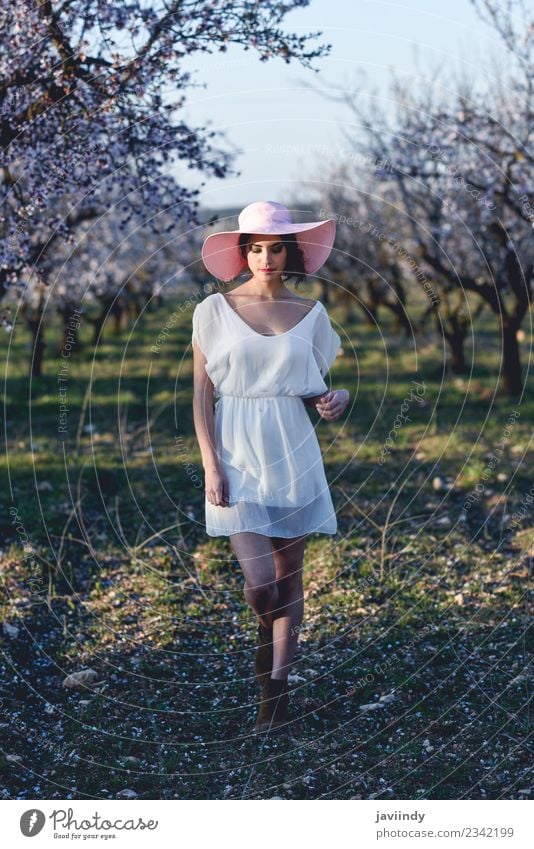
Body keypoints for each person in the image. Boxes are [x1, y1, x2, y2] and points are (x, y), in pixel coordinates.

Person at [191, 200, 350, 735]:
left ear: (291, 252)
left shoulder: (313, 314)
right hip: (235, 451)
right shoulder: (211, 311)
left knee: (290, 581)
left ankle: (275, 696)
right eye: (255, 248)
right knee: (260, 585)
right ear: (242, 253)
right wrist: (212, 465)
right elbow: (201, 394)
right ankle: (268, 645)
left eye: (276, 247)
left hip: (294, 449)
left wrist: (339, 398)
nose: (266, 257)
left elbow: (315, 390)